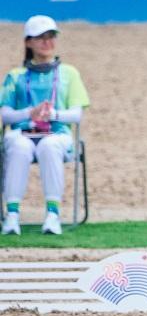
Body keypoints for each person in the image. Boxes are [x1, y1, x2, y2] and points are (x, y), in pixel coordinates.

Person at [1, 16, 90, 236]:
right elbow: (5, 115)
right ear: (28, 42)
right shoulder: (15, 76)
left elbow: (77, 114)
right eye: (40, 37)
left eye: (51, 36)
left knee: (49, 146)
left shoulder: (69, 73)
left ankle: (53, 215)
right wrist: (28, 113)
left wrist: (54, 114)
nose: (47, 42)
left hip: (57, 134)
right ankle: (12, 215)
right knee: (18, 146)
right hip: (22, 133)